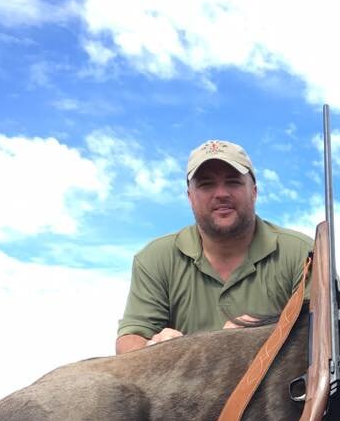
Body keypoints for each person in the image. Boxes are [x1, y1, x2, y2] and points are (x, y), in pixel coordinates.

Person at [116, 139, 313, 354]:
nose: (221, 194)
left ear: (254, 192)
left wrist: (260, 335)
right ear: (190, 197)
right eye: (206, 184)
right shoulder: (155, 258)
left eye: (233, 182)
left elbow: (323, 336)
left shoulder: (303, 253)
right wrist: (152, 348)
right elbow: (130, 338)